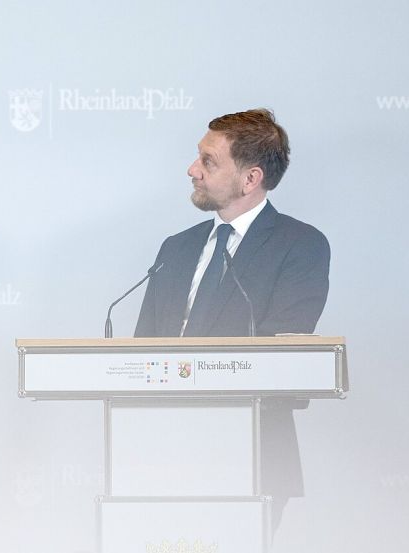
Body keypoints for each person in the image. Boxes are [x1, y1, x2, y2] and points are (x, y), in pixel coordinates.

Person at [134, 108, 330, 534]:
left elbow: (283, 356)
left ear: (250, 178)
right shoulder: (176, 248)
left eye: (209, 161)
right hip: (159, 455)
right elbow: (141, 350)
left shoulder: (301, 246)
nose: (192, 170)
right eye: (197, 157)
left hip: (249, 454)